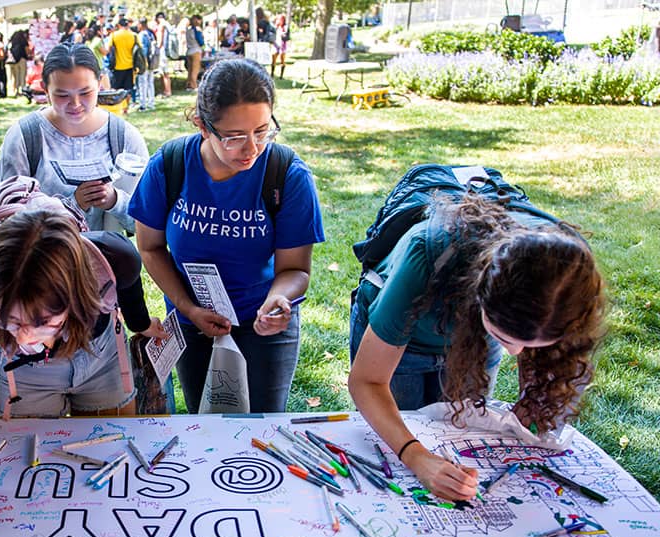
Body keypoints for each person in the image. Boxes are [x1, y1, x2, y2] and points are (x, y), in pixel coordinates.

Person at [0, 202, 167, 537]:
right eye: (11, 319)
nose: (24, 337)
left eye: (40, 322)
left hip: (98, 350)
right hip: (21, 377)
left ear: (75, 297)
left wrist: (139, 323)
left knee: (114, 451)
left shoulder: (112, 257)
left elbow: (129, 284)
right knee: (24, 463)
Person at [347, 195, 606, 501]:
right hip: (408, 329)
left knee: (457, 432)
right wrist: (417, 458)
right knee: (398, 430)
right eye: (505, 338)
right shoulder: (426, 255)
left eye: (534, 344)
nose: (515, 353)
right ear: (479, 296)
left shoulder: (570, 282)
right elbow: (368, 382)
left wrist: (533, 410)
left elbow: (553, 377)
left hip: (473, 333)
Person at [130, 58, 325, 413]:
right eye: (235, 137)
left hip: (262, 323)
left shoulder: (287, 174)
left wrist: (279, 300)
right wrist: (189, 308)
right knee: (203, 424)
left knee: (263, 426)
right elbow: (150, 246)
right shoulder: (170, 165)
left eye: (262, 131)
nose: (251, 149)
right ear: (202, 126)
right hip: (193, 322)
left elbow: (296, 270)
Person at [0, 43, 148, 234]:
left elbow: (149, 223)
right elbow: (8, 219)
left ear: (100, 82)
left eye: (85, 93)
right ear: (45, 89)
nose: (75, 104)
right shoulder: (25, 137)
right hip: (42, 260)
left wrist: (114, 201)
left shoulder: (124, 137)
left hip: (108, 261)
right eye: (62, 95)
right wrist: (72, 205)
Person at [109, 17, 136, 93]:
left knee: (116, 89)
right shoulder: (133, 35)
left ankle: (119, 105)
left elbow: (108, 48)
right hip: (130, 66)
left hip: (118, 66)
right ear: (127, 25)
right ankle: (127, 104)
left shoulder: (114, 35)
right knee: (128, 89)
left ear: (118, 25)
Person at [7, 27, 31, 97]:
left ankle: (15, 91)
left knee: (15, 77)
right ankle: (22, 90)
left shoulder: (12, 41)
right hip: (22, 59)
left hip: (14, 60)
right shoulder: (23, 41)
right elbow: (27, 50)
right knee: (22, 76)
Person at [154, 12, 172, 97]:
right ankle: (166, 90)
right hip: (166, 51)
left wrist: (156, 48)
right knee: (165, 72)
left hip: (162, 52)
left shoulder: (161, 26)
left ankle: (167, 91)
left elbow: (160, 42)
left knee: (164, 73)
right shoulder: (167, 25)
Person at [184, 14, 203, 90]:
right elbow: (201, 42)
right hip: (195, 50)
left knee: (190, 70)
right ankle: (194, 85)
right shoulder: (197, 30)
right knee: (195, 70)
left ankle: (188, 85)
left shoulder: (188, 30)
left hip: (189, 51)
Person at [272, 14, 289, 79]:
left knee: (282, 59)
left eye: (281, 19)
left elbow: (287, 36)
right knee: (274, 59)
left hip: (282, 44)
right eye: (279, 19)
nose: (280, 21)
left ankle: (281, 75)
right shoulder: (275, 27)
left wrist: (283, 34)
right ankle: (272, 73)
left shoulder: (285, 27)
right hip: (276, 44)